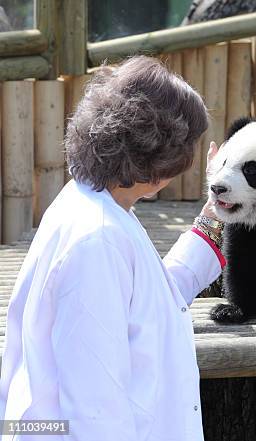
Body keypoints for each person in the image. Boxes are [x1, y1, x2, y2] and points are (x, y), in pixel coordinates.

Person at [0, 56, 224, 441]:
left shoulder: (93, 204)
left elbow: (149, 303)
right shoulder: (97, 240)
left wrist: (214, 219)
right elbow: (95, 412)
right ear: (160, 163)